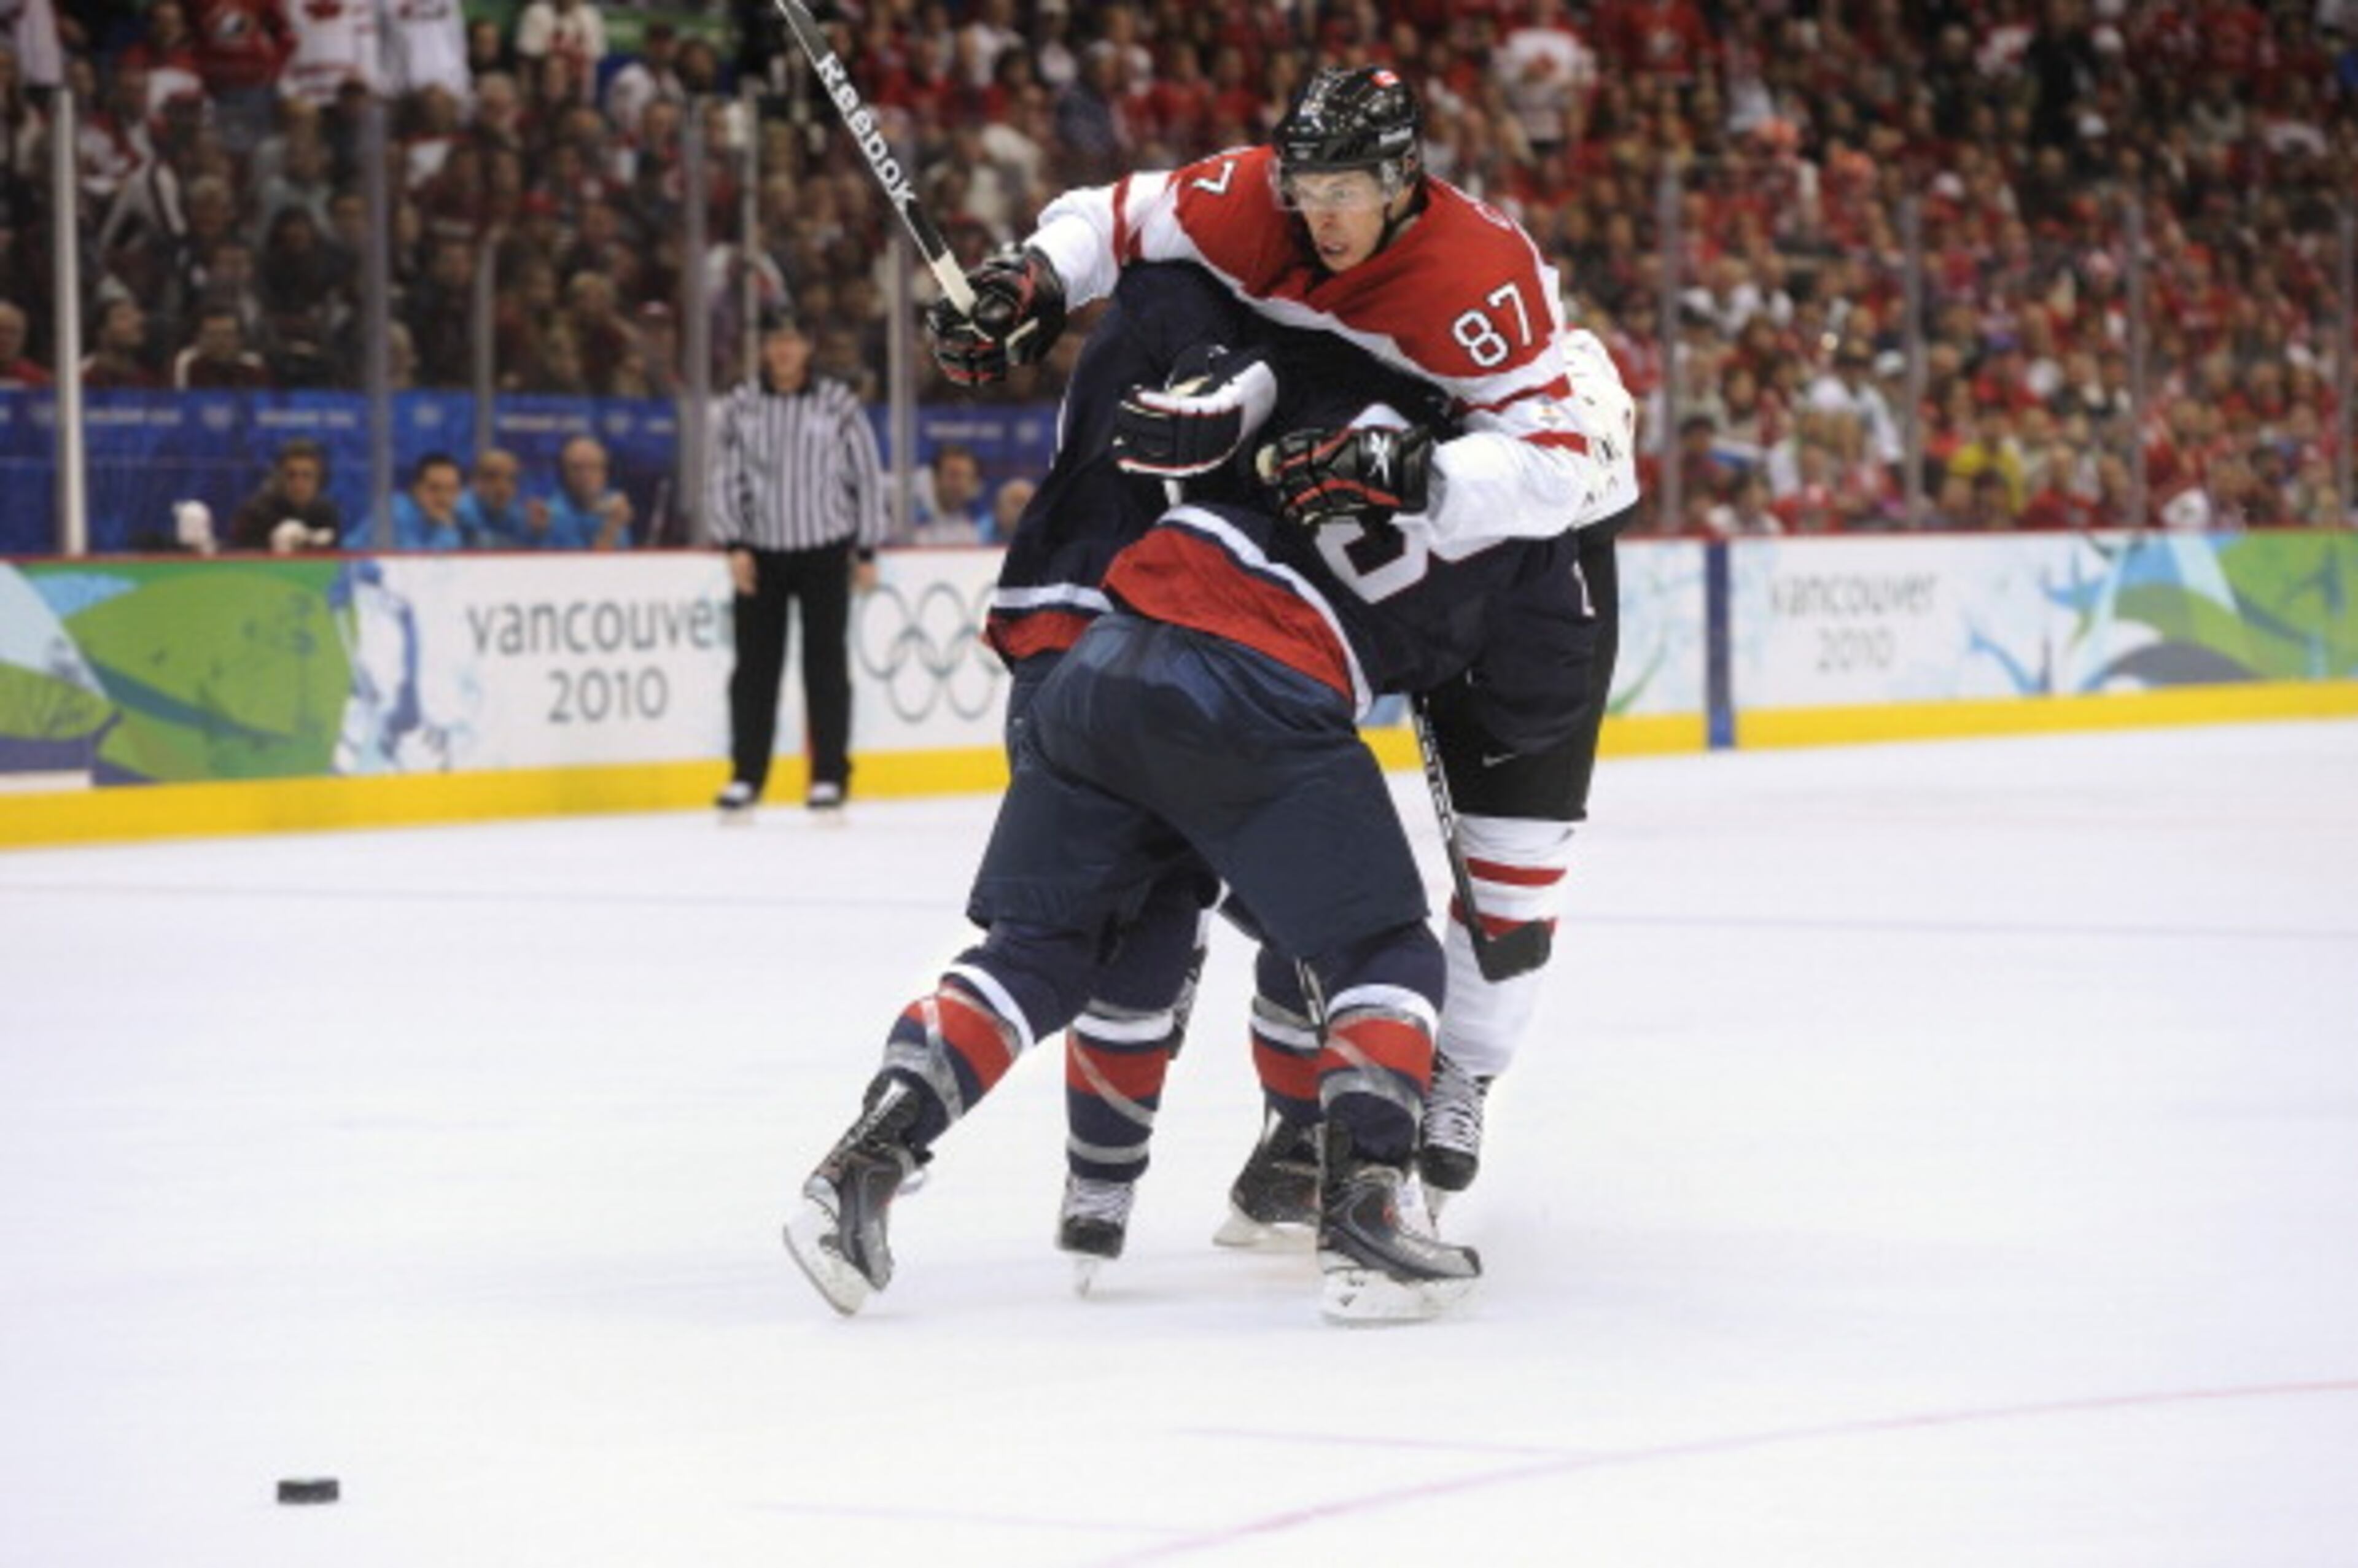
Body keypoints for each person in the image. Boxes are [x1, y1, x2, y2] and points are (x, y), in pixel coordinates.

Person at [930, 66, 1638, 1259]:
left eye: (1351, 191)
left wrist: (1417, 476)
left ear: (1407, 181)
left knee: (1508, 892)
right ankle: (1312, 1143)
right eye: (1308, 186)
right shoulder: (1254, 203)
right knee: (1317, 880)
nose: (1324, 214)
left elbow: (1561, 467)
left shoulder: (1483, 277)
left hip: (1531, 588)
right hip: (1387, 573)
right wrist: (1035, 279)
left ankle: (1454, 1082)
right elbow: (1113, 220)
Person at [784, 321, 1596, 1324]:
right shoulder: (1539, 549)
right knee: (1383, 949)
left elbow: (1194, 419)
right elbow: (1518, 734)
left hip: (1106, 655)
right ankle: (1363, 1211)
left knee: (1039, 951)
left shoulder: (1340, 368)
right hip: (1259, 694)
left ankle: (870, 1156)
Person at [706, 312, 887, 818]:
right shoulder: (741, 405)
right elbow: (724, 476)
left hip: (825, 548)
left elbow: (867, 477)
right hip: (761, 550)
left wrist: (867, 549)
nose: (784, 351)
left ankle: (829, 775)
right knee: (754, 669)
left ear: (808, 347)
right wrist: (733, 544)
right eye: (775, 341)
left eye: (793, 340)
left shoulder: (838, 405)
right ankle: (747, 776)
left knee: (825, 666)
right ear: (763, 348)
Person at [227, 437, 343, 553]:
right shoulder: (254, 514)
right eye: (291, 475)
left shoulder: (327, 513)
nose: (298, 483)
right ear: (279, 478)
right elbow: (239, 561)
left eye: (307, 476)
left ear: (320, 480)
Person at [540, 435, 634, 550]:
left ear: (605, 473)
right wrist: (612, 527)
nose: (586, 476)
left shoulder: (614, 504)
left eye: (594, 467)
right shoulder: (553, 515)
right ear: (563, 474)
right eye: (577, 469)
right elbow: (588, 566)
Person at [454, 447, 548, 548]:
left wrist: (537, 534)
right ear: (475, 480)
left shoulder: (516, 514)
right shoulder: (460, 511)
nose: (503, 487)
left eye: (511, 479)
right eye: (493, 477)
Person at [390, 451, 468, 551]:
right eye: (434, 488)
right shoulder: (395, 514)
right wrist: (445, 530)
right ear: (416, 489)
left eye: (451, 489)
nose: (443, 498)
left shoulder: (464, 512)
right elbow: (415, 561)